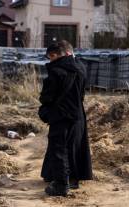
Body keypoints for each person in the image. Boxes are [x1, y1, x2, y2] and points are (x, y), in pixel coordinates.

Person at [38, 40, 92, 196]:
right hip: (77, 113)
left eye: (53, 56)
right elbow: (81, 93)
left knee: (59, 149)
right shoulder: (81, 67)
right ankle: (72, 180)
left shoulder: (56, 71)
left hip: (60, 115)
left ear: (63, 53)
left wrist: (46, 110)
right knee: (75, 146)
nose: (51, 60)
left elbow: (47, 96)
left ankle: (61, 185)